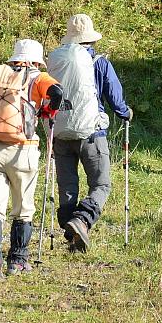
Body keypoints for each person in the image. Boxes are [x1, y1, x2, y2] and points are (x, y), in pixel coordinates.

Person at [0, 39, 63, 281]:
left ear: (14, 58)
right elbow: (58, 92)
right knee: (23, 208)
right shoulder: (39, 77)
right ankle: (17, 260)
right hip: (22, 151)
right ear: (37, 60)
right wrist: (47, 111)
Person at [46, 14, 132, 253]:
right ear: (90, 40)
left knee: (68, 186)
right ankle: (82, 220)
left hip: (61, 132)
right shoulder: (100, 62)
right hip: (92, 133)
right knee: (101, 183)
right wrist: (126, 113)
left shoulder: (57, 61)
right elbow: (115, 100)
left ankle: (71, 231)